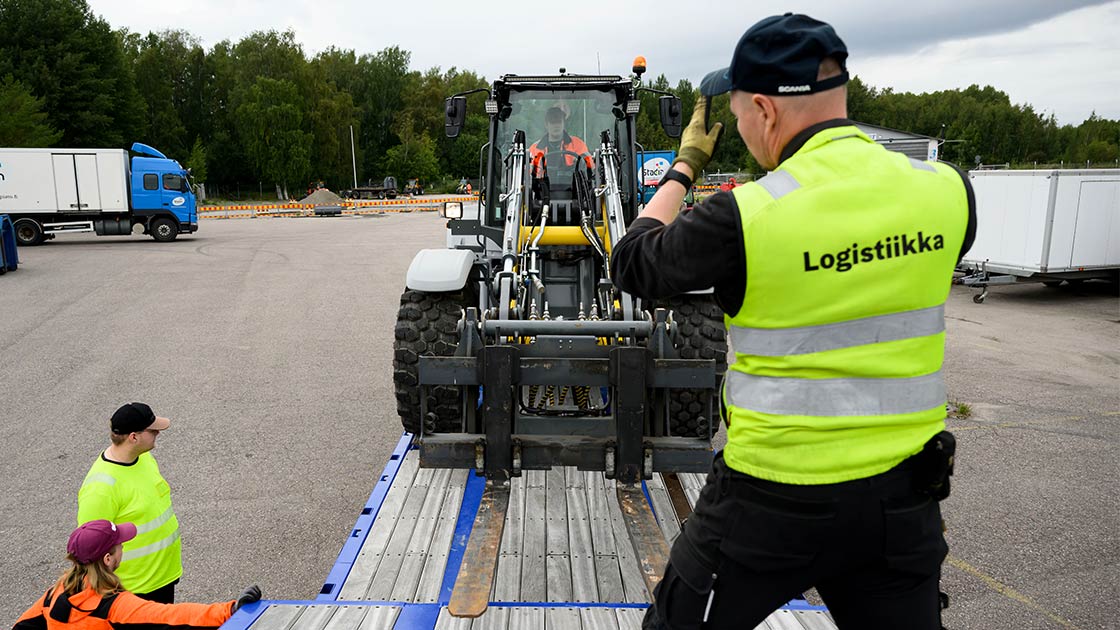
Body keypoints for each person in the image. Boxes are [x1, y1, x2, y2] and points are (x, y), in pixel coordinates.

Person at [611, 13, 976, 630]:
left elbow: (633, 262)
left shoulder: (743, 218)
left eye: (739, 115)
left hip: (769, 500)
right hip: (900, 503)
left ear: (765, 110)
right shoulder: (948, 191)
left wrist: (684, 167)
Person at [13, 520, 260, 629]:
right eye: (119, 544)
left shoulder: (55, 594)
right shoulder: (113, 606)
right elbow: (171, 617)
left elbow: (22, 627)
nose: (122, 547)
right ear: (108, 559)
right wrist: (230, 610)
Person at [77, 403, 183, 603]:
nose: (158, 433)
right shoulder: (100, 489)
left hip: (163, 577)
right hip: (134, 592)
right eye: (152, 430)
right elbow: (90, 549)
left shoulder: (143, 458)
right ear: (134, 437)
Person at [529, 104, 592, 172]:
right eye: (553, 122)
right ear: (546, 125)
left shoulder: (578, 145)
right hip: (542, 182)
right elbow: (529, 173)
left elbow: (589, 166)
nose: (556, 126)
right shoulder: (535, 149)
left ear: (564, 123)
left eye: (559, 122)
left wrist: (580, 164)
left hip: (573, 182)